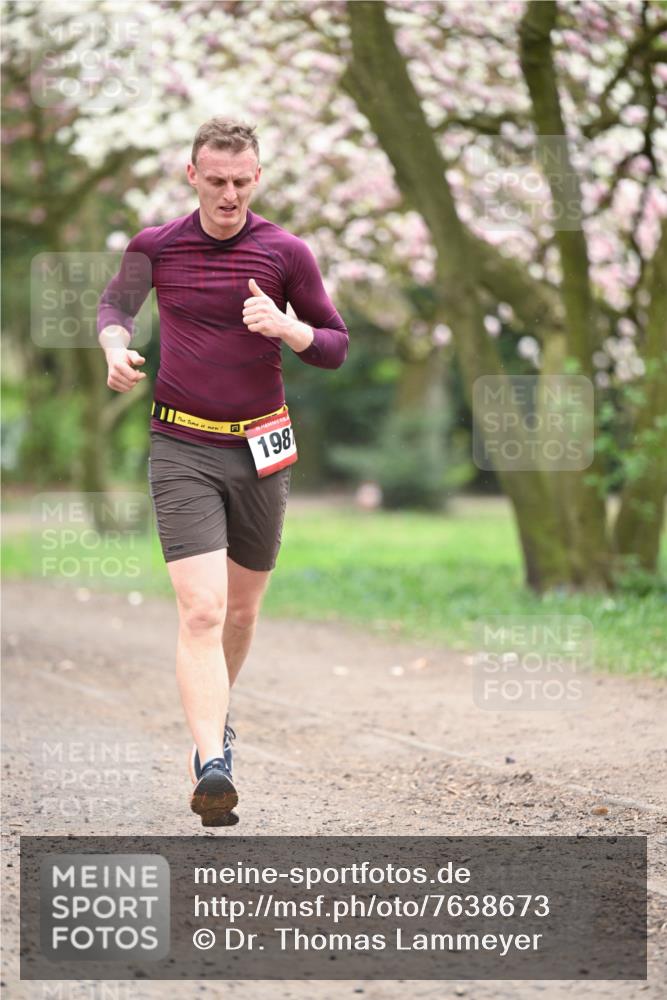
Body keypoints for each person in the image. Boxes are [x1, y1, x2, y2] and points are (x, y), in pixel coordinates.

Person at [97, 118, 349, 826]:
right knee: (202, 610)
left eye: (242, 182)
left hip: (262, 449)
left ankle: (213, 726)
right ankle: (212, 760)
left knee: (240, 610)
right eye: (216, 181)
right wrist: (114, 347)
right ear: (191, 175)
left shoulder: (284, 252)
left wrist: (288, 328)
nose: (229, 194)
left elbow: (333, 344)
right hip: (181, 445)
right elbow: (115, 304)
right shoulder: (158, 246)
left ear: (258, 178)